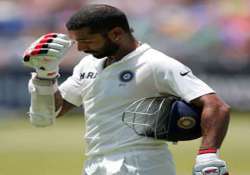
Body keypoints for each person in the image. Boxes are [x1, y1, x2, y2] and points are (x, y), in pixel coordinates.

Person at [22, 4, 230, 175]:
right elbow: (49, 115)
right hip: (95, 164)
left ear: (116, 34)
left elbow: (216, 106)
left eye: (86, 40)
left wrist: (208, 155)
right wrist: (45, 74)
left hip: (141, 164)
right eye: (78, 41)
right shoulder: (88, 65)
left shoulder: (155, 63)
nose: (80, 48)